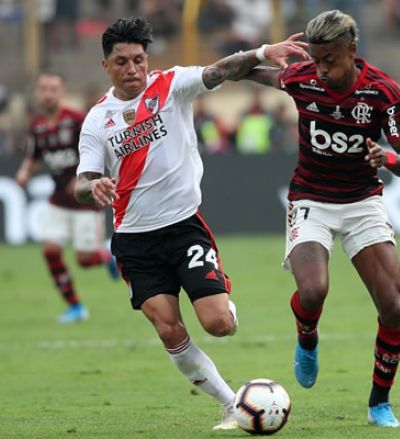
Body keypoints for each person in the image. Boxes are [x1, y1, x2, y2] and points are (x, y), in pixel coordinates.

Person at [73, 17, 308, 431]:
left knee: (218, 325)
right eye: (122, 61)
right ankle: (231, 404)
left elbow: (221, 71)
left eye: (139, 60)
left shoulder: (172, 85)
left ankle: (224, 303)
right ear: (105, 65)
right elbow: (82, 181)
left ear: (148, 60)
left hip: (184, 228)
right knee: (168, 330)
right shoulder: (97, 121)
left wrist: (260, 54)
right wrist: (91, 189)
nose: (133, 69)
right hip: (134, 241)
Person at [242, 10, 400, 427]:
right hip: (312, 198)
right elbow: (249, 72)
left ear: (352, 51)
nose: (321, 70)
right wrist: (258, 55)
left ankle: (379, 402)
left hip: (362, 202)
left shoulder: (383, 92)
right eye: (317, 60)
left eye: (331, 60)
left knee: (393, 306)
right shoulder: (301, 77)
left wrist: (390, 157)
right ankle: (307, 339)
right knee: (314, 290)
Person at [15, 72, 118, 323]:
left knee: (84, 260)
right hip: (58, 199)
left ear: (61, 93)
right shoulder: (37, 126)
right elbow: (34, 156)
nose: (48, 93)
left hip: (84, 202)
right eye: (43, 89)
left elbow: (97, 149)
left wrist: (84, 177)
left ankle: (107, 254)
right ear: (38, 94)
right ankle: (75, 307)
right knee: (50, 251)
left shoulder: (76, 121)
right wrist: (25, 172)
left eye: (53, 89)